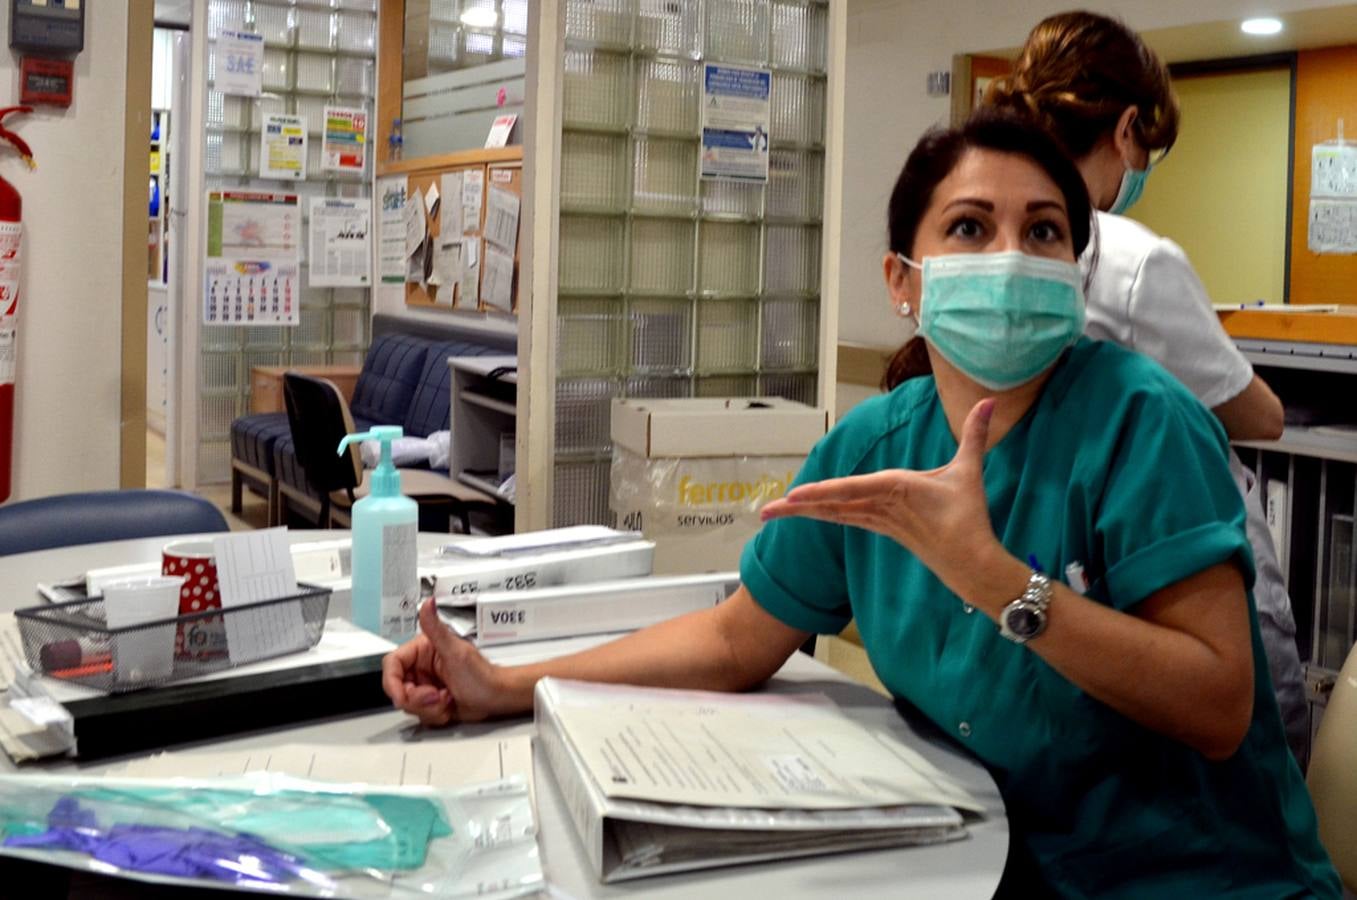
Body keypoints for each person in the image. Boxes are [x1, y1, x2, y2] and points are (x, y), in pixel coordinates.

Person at [383, 111, 1339, 898]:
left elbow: (1218, 704)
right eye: (968, 228)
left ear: (1073, 274)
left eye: (1042, 231)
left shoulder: (1143, 422)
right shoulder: (877, 447)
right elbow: (731, 642)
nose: (1009, 256)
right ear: (901, 281)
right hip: (982, 865)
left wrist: (999, 581)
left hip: (1193, 883)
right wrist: (504, 685)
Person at [983, 10, 1309, 760]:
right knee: (1249, 769)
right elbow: (1257, 415)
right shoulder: (1127, 256)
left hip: (1045, 560)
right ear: (1126, 128)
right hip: (1182, 562)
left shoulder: (985, 266)